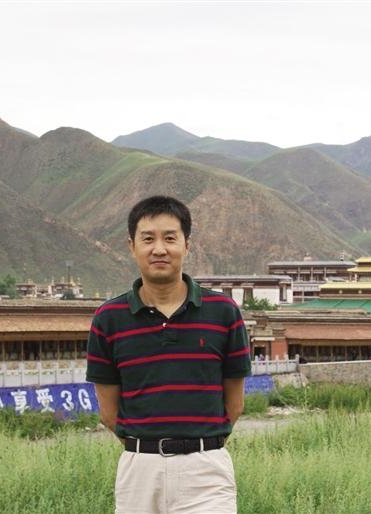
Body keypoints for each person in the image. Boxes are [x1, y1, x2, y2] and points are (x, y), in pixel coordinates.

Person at [86, 196, 251, 514]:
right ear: (132, 246)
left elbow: (235, 404)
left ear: (187, 245)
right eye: (148, 239)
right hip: (139, 471)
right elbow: (109, 413)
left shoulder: (223, 312)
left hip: (206, 470)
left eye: (170, 238)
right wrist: (147, 449)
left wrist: (199, 447)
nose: (159, 249)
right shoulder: (109, 319)